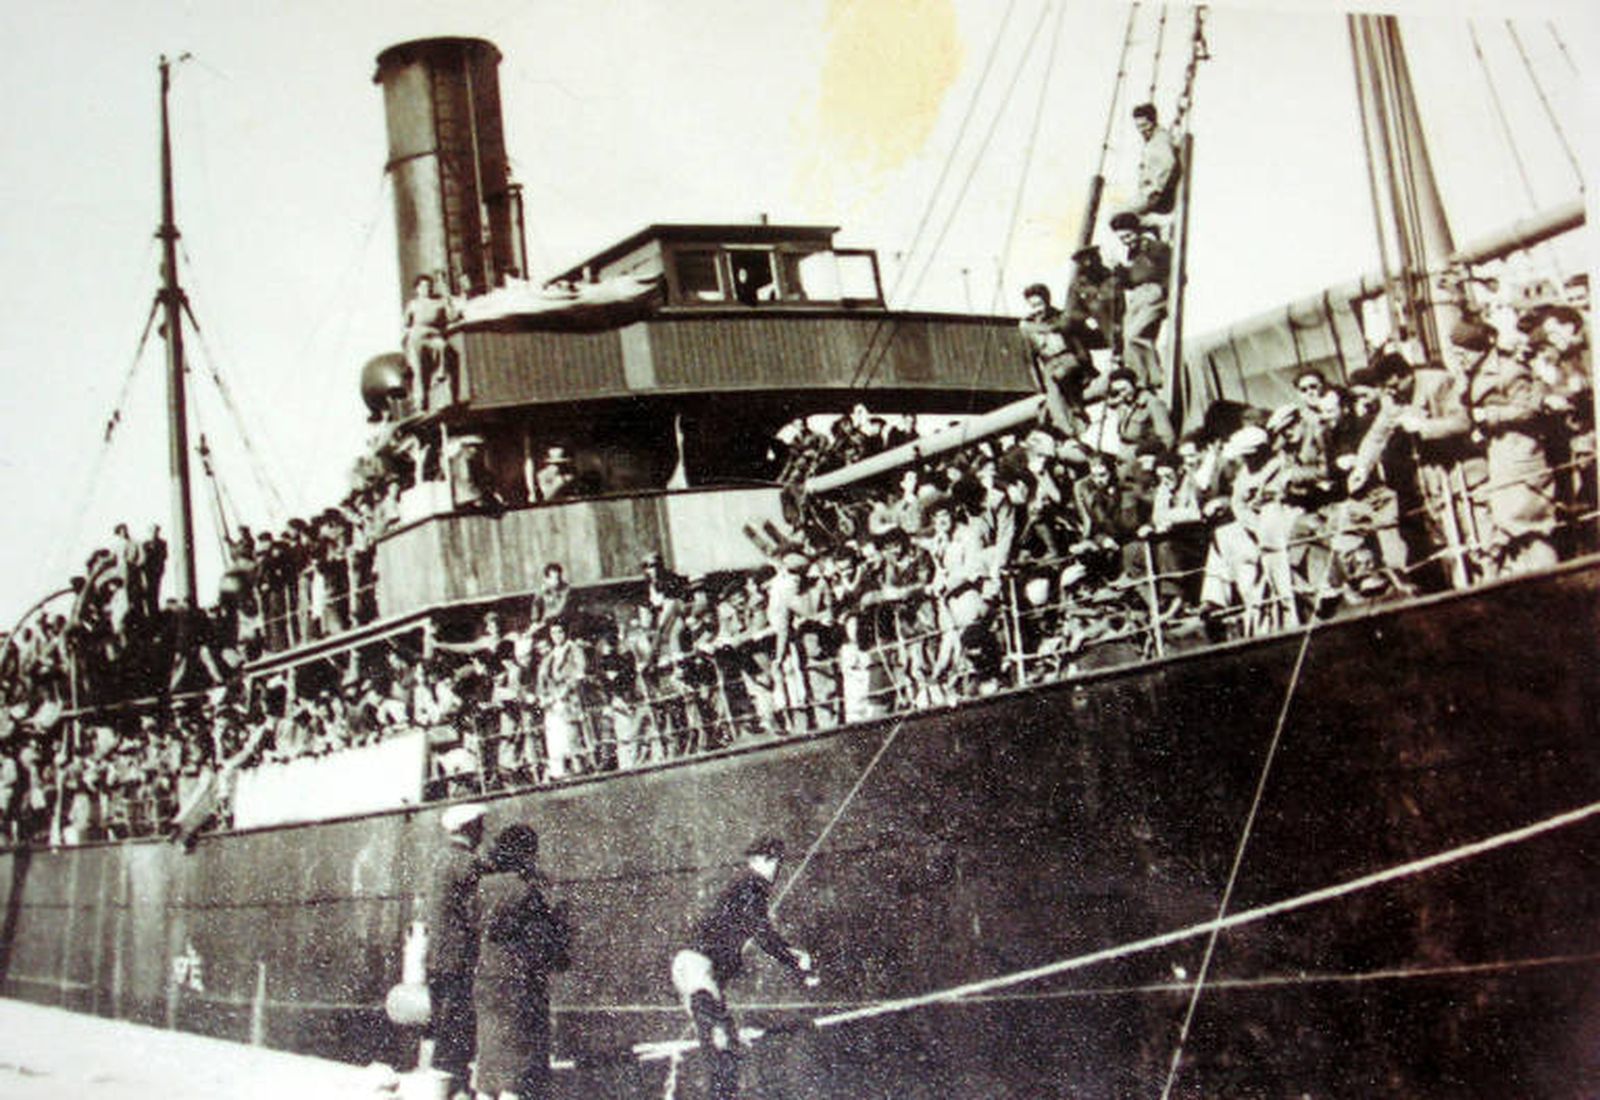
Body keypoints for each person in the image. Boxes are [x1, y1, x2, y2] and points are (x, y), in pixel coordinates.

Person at [670, 837, 817, 1100]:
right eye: (774, 862)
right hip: (697, 969)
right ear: (761, 860)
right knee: (721, 1052)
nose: (776, 870)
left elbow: (762, 931)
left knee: (724, 1050)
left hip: (693, 970)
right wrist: (795, 963)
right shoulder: (752, 885)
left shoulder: (743, 887)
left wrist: (791, 955)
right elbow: (762, 933)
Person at [473, 824, 570, 1100]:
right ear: (526, 855)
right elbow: (541, 941)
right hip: (518, 983)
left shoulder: (483, 887)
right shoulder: (526, 892)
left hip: (487, 979)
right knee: (515, 1070)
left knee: (489, 1060)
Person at [422, 801, 487, 1100]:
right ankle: (454, 1092)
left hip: (436, 958)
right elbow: (477, 913)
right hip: (460, 959)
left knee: (444, 1028)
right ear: (469, 829)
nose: (483, 831)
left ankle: (449, 1089)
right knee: (458, 1029)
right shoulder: (467, 863)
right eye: (479, 826)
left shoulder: (440, 860)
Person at [1110, 213, 1172, 388]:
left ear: (1137, 231)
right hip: (1138, 296)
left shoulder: (1156, 248)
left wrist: (1164, 291)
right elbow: (1132, 281)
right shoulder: (1133, 253)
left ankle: (1151, 377)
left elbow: (1170, 272)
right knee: (1126, 337)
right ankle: (1141, 377)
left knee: (1134, 335)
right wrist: (1120, 271)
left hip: (1154, 294)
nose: (1126, 241)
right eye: (1122, 238)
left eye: (1128, 236)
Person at [1129, 102, 1182, 218]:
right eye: (1138, 127)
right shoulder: (1152, 141)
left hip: (1155, 196)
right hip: (1150, 193)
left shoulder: (1159, 140)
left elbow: (1168, 163)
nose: (1141, 130)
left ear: (1153, 122)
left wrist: (1155, 190)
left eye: (1144, 125)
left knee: (1120, 214)